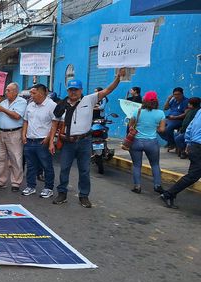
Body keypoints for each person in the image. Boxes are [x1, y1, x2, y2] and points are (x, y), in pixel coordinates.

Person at [49, 68, 126, 208]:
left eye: (76, 90)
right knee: (64, 168)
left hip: (84, 141)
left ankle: (84, 196)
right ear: (67, 91)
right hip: (68, 142)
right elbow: (54, 123)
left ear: (81, 90)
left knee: (84, 170)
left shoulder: (89, 99)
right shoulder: (61, 105)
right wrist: (51, 142)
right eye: (71, 89)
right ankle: (62, 193)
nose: (73, 92)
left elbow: (108, 90)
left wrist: (118, 78)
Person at [160, 107, 201, 209]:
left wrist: (188, 142)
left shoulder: (199, 111)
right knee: (193, 176)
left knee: (193, 175)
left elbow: (190, 127)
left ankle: (169, 194)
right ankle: (168, 194)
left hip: (195, 145)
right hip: (198, 147)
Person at [21, 84, 57, 199]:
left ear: (41, 93)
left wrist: (48, 139)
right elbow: (25, 121)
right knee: (30, 166)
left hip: (43, 141)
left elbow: (55, 123)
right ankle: (31, 186)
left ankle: (48, 188)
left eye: (33, 93)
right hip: (29, 141)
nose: (31, 95)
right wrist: (23, 135)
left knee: (47, 165)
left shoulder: (52, 105)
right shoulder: (30, 105)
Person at [0, 83, 27, 192]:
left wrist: (3, 109)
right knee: (0, 158)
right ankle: (0, 181)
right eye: (6, 90)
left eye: (9, 90)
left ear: (16, 92)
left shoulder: (22, 102)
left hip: (14, 133)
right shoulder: (3, 102)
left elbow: (17, 116)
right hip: (1, 132)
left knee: (16, 158)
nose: (6, 92)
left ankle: (16, 183)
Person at [127, 91, 166, 194]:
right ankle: (157, 185)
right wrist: (154, 127)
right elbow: (162, 130)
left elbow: (130, 126)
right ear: (156, 101)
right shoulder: (160, 113)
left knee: (136, 165)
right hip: (152, 143)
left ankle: (137, 186)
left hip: (136, 142)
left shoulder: (137, 112)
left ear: (144, 101)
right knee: (155, 165)